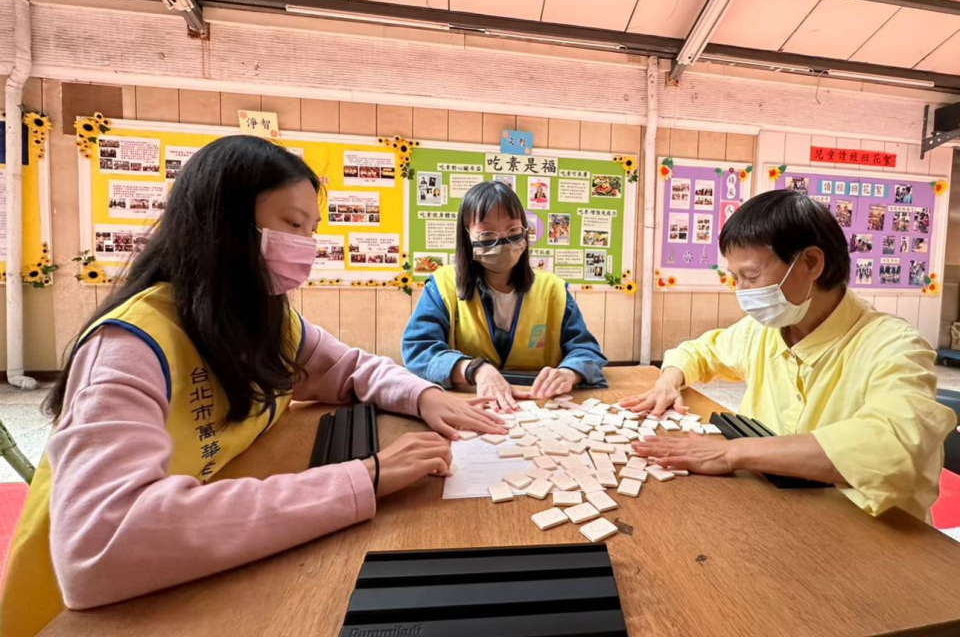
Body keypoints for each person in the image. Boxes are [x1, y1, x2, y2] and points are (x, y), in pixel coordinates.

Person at [0, 136, 507, 637]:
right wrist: (364, 477)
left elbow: (351, 368)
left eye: (312, 230)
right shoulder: (128, 346)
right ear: (223, 225)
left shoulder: (266, 319)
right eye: (291, 225)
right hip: (84, 615)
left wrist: (424, 395)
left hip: (196, 573)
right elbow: (100, 545)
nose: (306, 247)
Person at [620, 189, 955, 521]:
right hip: (774, 515)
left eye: (751, 276)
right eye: (735, 278)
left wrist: (731, 452)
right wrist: (669, 379)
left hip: (871, 540)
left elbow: (891, 447)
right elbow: (700, 351)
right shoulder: (762, 331)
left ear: (810, 262)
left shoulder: (895, 347)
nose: (743, 292)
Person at [402, 181, 607, 411]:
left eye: (513, 231)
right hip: (470, 406)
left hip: (538, 407)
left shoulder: (553, 289)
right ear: (467, 236)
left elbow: (587, 350)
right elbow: (418, 349)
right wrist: (473, 369)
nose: (502, 242)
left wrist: (571, 372)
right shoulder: (442, 286)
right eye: (487, 234)